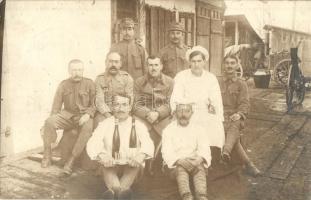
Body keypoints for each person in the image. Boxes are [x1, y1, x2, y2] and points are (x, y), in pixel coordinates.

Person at [86, 95, 154, 199]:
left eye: (124, 105)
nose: (120, 108)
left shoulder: (138, 125)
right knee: (109, 170)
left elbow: (148, 143)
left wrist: (141, 155)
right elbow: (93, 142)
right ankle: (120, 193)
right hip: (111, 165)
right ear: (112, 107)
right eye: (117, 105)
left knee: (132, 168)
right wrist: (102, 155)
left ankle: (115, 193)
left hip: (131, 165)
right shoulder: (105, 124)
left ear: (130, 107)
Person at [41, 59, 95, 175]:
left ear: (83, 70)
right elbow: (56, 106)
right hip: (67, 116)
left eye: (80, 70)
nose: (77, 73)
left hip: (84, 116)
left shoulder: (89, 83)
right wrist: (50, 123)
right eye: (74, 70)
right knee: (49, 122)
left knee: (87, 128)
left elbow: (95, 103)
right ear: (69, 71)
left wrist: (88, 114)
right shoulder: (63, 84)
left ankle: (71, 160)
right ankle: (47, 154)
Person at [170, 46, 225, 149]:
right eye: (193, 61)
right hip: (186, 111)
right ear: (189, 62)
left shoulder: (210, 78)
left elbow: (216, 99)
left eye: (199, 61)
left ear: (204, 62)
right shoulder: (181, 76)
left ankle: (211, 155)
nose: (196, 64)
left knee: (215, 124)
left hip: (205, 111)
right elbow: (176, 97)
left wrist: (217, 113)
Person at [219, 55, 261, 177]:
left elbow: (245, 103)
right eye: (227, 63)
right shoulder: (217, 81)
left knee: (233, 127)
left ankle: (226, 151)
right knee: (233, 135)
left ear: (237, 65)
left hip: (234, 116)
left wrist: (239, 114)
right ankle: (249, 165)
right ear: (223, 65)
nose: (229, 65)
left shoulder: (241, 84)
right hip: (219, 116)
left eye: (232, 63)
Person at [162, 103, 211, 200]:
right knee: (181, 171)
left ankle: (201, 195)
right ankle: (186, 195)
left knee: (199, 170)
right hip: (177, 163)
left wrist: (198, 160)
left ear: (192, 113)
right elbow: (166, 151)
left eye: (186, 111)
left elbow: (204, 148)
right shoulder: (168, 130)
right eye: (180, 111)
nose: (183, 114)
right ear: (175, 113)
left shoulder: (199, 129)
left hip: (195, 162)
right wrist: (180, 161)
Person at [133, 55, 174, 145]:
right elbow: (136, 104)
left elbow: (170, 103)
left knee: (171, 137)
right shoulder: (138, 82)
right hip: (143, 119)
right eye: (150, 65)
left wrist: (158, 113)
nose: (153, 68)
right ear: (146, 67)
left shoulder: (170, 82)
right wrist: (148, 114)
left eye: (156, 65)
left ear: (161, 66)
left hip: (163, 119)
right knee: (134, 132)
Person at [94, 52, 134, 128]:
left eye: (116, 62)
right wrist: (108, 116)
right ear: (106, 63)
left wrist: (121, 113)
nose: (113, 65)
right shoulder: (99, 79)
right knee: (100, 125)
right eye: (110, 61)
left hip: (122, 110)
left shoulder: (127, 78)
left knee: (128, 126)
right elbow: (99, 101)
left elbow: (130, 99)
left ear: (120, 64)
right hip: (105, 112)